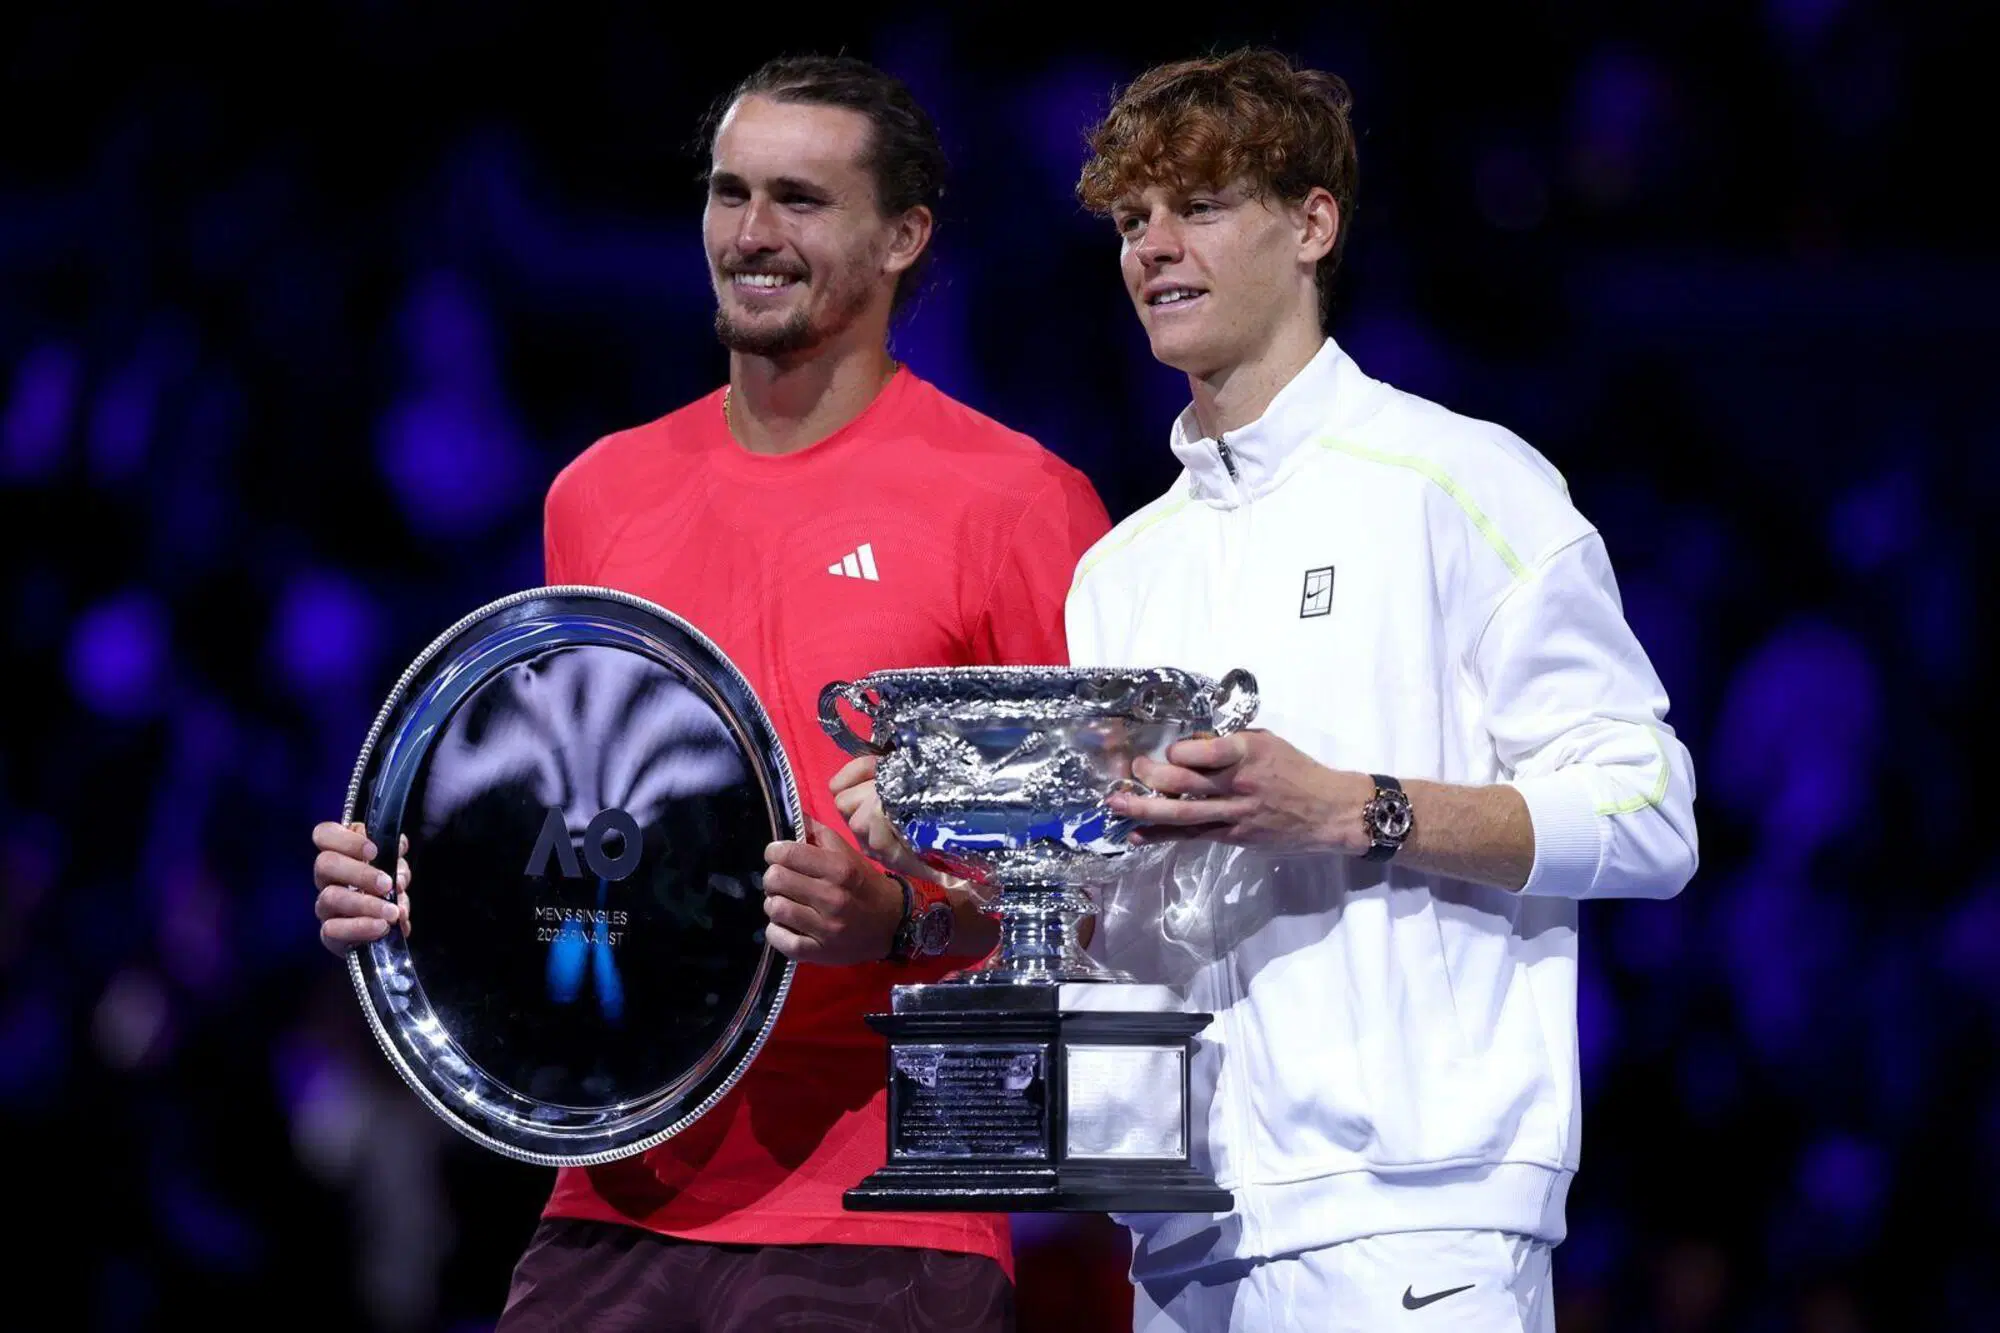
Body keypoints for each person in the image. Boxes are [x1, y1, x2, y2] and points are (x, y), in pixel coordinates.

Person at [832, 45, 1698, 1332]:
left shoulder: (1462, 483)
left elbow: (1649, 814)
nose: (1152, 247)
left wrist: (1353, 807)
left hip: (1419, 1216)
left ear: (1311, 224)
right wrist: (962, 842)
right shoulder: (1121, 573)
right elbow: (1113, 922)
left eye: (1199, 206)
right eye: (1131, 220)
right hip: (1182, 1228)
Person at [311, 54, 1111, 1332]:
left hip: (889, 1198)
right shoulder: (600, 496)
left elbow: (1091, 905)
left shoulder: (1016, 504)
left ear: (904, 236)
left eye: (799, 199)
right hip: (613, 1188)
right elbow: (582, 837)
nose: (751, 233)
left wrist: (895, 918)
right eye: (729, 192)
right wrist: (426, 892)